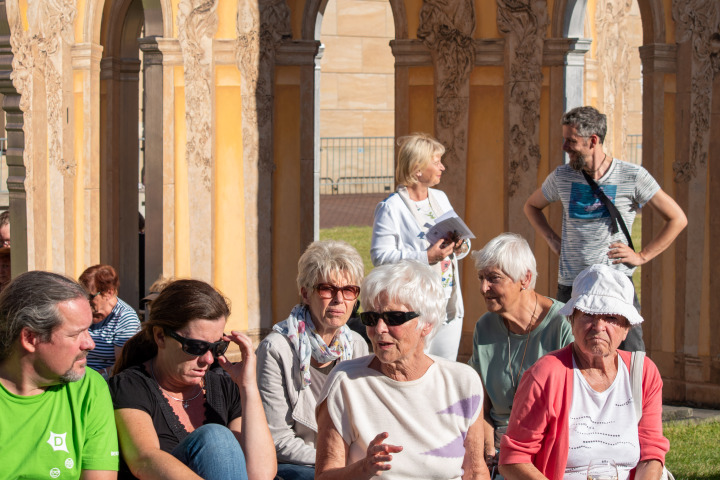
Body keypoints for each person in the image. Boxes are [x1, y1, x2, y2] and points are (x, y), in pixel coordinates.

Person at [524, 106, 687, 352]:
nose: (564, 147)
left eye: (571, 141)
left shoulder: (632, 176)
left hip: (616, 283)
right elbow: (531, 206)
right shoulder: (562, 177)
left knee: (631, 355)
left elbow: (677, 218)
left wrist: (642, 256)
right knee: (569, 356)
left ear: (593, 141)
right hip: (572, 285)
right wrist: (552, 239)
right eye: (564, 139)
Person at [315, 260, 489, 480]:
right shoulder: (346, 382)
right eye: (371, 318)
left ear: (427, 323)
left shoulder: (462, 382)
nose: (379, 329)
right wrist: (364, 468)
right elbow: (324, 476)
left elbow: (475, 471)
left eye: (394, 318)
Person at [499, 264, 669, 480]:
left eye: (611, 318)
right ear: (571, 319)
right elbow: (514, 460)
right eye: (588, 315)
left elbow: (651, 455)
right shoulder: (546, 375)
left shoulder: (643, 372)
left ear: (626, 329)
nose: (598, 326)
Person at [109, 279, 276, 480]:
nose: (208, 359)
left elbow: (261, 474)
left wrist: (247, 385)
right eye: (196, 347)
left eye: (217, 347)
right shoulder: (131, 386)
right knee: (216, 437)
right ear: (160, 336)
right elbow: (144, 460)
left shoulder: (226, 389)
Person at [256, 240, 369, 480]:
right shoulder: (276, 349)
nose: (339, 300)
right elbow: (277, 439)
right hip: (297, 464)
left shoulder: (357, 344)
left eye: (349, 290)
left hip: (347, 461)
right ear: (306, 293)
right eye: (327, 289)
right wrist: (336, 463)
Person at [468, 233, 574, 473]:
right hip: (497, 451)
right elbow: (480, 408)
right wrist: (488, 453)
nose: (484, 288)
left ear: (525, 279)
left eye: (493, 278)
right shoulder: (484, 328)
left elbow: (573, 411)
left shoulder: (563, 325)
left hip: (549, 448)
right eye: (481, 278)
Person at [0, 271, 119, 479]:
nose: (90, 343)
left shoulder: (89, 388)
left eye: (89, 330)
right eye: (75, 334)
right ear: (30, 338)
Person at [371, 133, 470, 361]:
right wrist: (425, 256)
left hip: (448, 304)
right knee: (414, 368)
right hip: (415, 306)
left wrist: (460, 245)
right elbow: (379, 256)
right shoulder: (391, 207)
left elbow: (459, 237)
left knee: (444, 371)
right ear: (417, 169)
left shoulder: (440, 198)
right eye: (436, 162)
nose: (442, 167)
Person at [79, 264, 141, 379]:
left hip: (105, 382)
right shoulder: (81, 311)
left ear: (109, 292)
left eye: (90, 296)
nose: (85, 300)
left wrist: (90, 378)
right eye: (81, 294)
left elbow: (122, 366)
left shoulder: (125, 318)